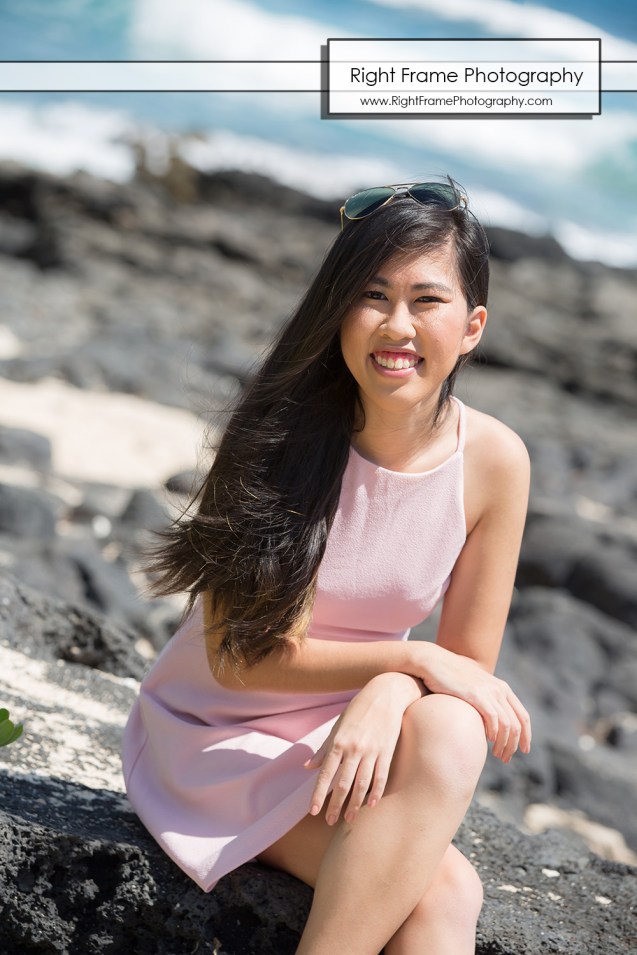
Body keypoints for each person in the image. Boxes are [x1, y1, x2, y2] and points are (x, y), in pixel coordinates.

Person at [121, 177, 532, 955]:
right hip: (212, 734)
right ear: (339, 307)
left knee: (449, 729)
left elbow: (466, 670)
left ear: (472, 326)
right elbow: (236, 658)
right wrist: (405, 658)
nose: (396, 325)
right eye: (372, 295)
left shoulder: (494, 462)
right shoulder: (277, 433)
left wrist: (385, 690)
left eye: (426, 300)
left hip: (344, 733)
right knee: (446, 890)